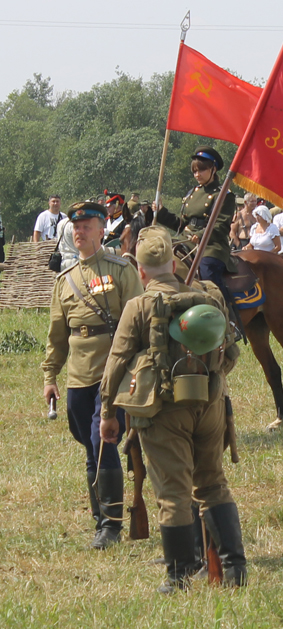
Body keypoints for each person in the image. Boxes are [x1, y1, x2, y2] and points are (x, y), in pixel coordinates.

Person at [99, 226, 246, 592]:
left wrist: (107, 413)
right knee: (213, 483)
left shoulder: (139, 306)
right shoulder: (207, 298)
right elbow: (230, 353)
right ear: (173, 264)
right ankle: (235, 569)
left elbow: (116, 363)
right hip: (210, 405)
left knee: (173, 493)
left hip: (163, 412)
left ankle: (178, 576)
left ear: (141, 271)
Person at [40, 201, 142, 549]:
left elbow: (138, 321)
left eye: (86, 226)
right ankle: (100, 517)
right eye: (76, 227)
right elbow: (57, 335)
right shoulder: (64, 280)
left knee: (103, 441)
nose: (79, 232)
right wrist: (50, 376)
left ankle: (111, 526)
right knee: (88, 443)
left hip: (112, 371)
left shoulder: (121, 270)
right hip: (77, 375)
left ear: (102, 230)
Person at [156, 147, 240, 309]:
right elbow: (181, 224)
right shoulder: (192, 193)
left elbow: (221, 225)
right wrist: (161, 213)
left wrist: (201, 235)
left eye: (201, 170)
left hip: (211, 245)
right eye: (195, 171)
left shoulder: (223, 195)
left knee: (207, 272)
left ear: (213, 169)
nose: (197, 175)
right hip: (186, 240)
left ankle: (224, 312)